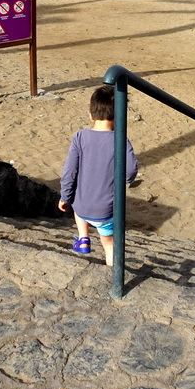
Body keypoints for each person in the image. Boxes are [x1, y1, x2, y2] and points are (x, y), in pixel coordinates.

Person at [59, 85, 138, 266]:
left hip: (82, 207)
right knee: (109, 244)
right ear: (119, 116)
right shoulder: (121, 140)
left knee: (78, 210)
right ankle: (113, 274)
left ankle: (83, 237)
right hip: (106, 211)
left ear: (91, 115)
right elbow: (131, 172)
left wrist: (65, 196)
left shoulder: (80, 137)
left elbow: (69, 172)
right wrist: (122, 179)